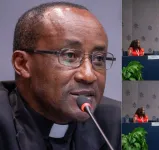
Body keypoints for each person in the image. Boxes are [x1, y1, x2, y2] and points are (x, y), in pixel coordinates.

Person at [0, 2, 120, 150]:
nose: (89, 75)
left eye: (99, 58)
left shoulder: (117, 123)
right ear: (23, 64)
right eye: (70, 55)